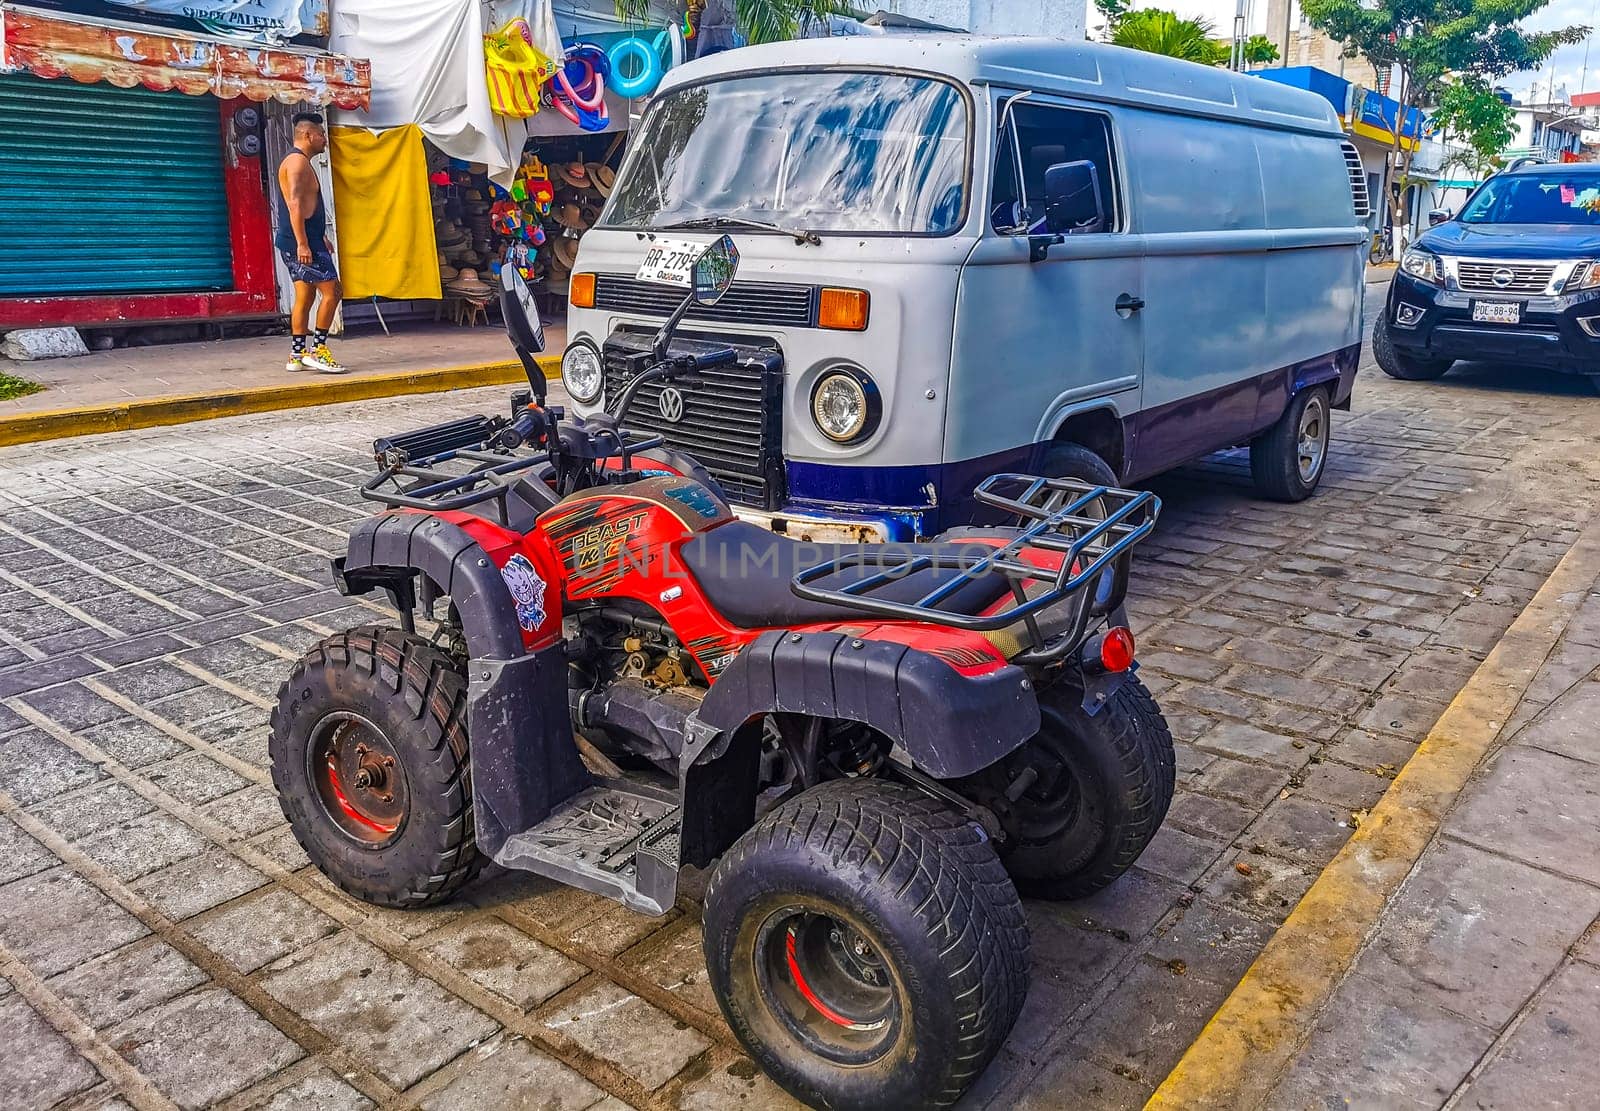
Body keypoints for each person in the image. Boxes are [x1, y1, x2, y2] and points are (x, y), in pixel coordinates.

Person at [275, 112, 345, 373]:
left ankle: (297, 354)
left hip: (303, 238)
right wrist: (304, 243)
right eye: (321, 134)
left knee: (304, 295)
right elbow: (294, 204)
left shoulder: (298, 161)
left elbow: (305, 204)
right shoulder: (297, 163)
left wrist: (320, 235)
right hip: (303, 242)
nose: (324, 138)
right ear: (307, 135)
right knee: (333, 292)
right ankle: (319, 349)